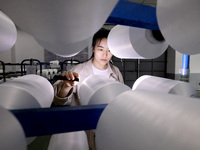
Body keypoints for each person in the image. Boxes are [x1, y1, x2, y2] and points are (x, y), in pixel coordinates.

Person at [52, 28, 124, 150]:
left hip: (107, 127)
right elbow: (57, 99)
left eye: (109, 51)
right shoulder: (78, 71)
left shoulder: (115, 72)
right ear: (93, 48)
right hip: (83, 129)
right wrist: (67, 86)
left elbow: (120, 99)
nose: (105, 55)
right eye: (100, 49)